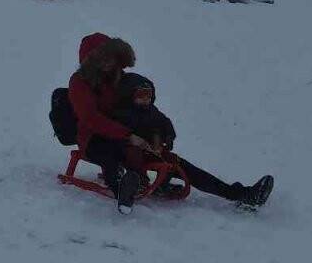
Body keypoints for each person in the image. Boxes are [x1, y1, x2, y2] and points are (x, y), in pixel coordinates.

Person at [67, 33, 273, 214]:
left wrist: (160, 134)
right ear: (90, 61)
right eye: (102, 58)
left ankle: (240, 194)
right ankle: (123, 190)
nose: (108, 63)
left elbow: (146, 111)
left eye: (110, 57)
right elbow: (90, 118)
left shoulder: (120, 79)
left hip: (128, 138)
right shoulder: (79, 82)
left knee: (175, 162)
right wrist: (129, 136)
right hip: (94, 139)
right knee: (109, 156)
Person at [112, 72, 274, 209]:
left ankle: (241, 195)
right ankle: (135, 184)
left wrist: (166, 138)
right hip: (130, 154)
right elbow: (119, 137)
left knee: (185, 168)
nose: (146, 99)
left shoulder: (151, 111)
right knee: (136, 156)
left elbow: (165, 124)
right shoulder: (122, 113)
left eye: (149, 94)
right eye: (141, 95)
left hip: (152, 153)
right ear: (130, 95)